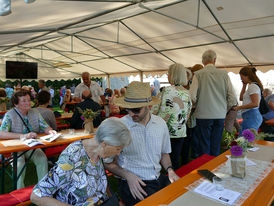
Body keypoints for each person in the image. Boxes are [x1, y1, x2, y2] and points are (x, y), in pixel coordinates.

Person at [105, 81, 180, 206]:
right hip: (134, 182)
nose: (131, 114)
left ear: (149, 106)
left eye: (135, 110)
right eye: (128, 109)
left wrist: (170, 170)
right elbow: (108, 163)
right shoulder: (120, 127)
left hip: (158, 178)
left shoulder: (160, 124)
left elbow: (164, 154)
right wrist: (128, 176)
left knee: (182, 197)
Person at [31, 117, 132, 206]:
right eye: (118, 149)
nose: (118, 153)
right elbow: (37, 195)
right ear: (105, 144)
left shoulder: (98, 152)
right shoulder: (72, 157)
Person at [0, 90, 56, 189]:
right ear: (16, 104)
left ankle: (43, 188)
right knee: (19, 163)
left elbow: (45, 126)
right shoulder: (10, 115)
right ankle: (20, 191)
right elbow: (1, 133)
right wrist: (22, 136)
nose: (28, 103)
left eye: (29, 100)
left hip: (31, 145)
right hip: (15, 147)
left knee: (42, 158)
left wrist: (50, 131)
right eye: (24, 101)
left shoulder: (35, 112)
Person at [190, 50, 237, 156]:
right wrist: (224, 110)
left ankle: (205, 168)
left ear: (203, 61)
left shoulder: (198, 74)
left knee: (204, 145)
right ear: (215, 60)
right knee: (215, 145)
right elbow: (232, 98)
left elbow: (192, 96)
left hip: (203, 115)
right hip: (219, 114)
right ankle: (214, 168)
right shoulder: (224, 74)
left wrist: (196, 105)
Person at [157, 63, 192, 170]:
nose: (167, 76)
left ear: (172, 75)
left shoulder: (165, 91)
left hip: (165, 131)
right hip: (180, 131)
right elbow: (188, 113)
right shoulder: (187, 93)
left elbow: (154, 110)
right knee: (175, 159)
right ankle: (175, 181)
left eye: (168, 73)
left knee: (162, 157)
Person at [233, 66, 263, 135]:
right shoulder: (250, 86)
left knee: (244, 139)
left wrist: (239, 107)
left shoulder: (253, 86)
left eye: (242, 77)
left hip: (251, 115)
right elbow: (241, 98)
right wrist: (244, 85)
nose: (241, 79)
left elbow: (255, 103)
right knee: (244, 138)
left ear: (247, 76)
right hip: (249, 115)